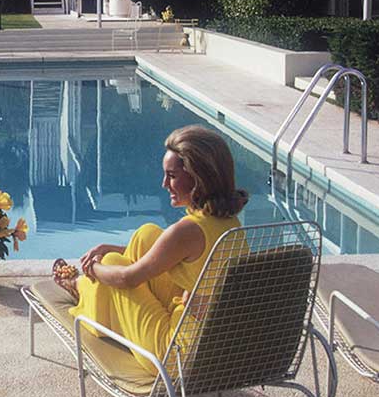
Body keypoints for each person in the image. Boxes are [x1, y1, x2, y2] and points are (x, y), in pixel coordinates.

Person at [51, 125, 249, 375]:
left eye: (172, 176)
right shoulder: (228, 222)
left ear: (199, 177)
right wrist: (112, 248)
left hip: (175, 353)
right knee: (147, 235)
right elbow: (168, 252)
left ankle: (81, 287)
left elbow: (127, 278)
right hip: (214, 341)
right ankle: (95, 294)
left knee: (115, 263)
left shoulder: (188, 230)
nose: (164, 184)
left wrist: (94, 268)